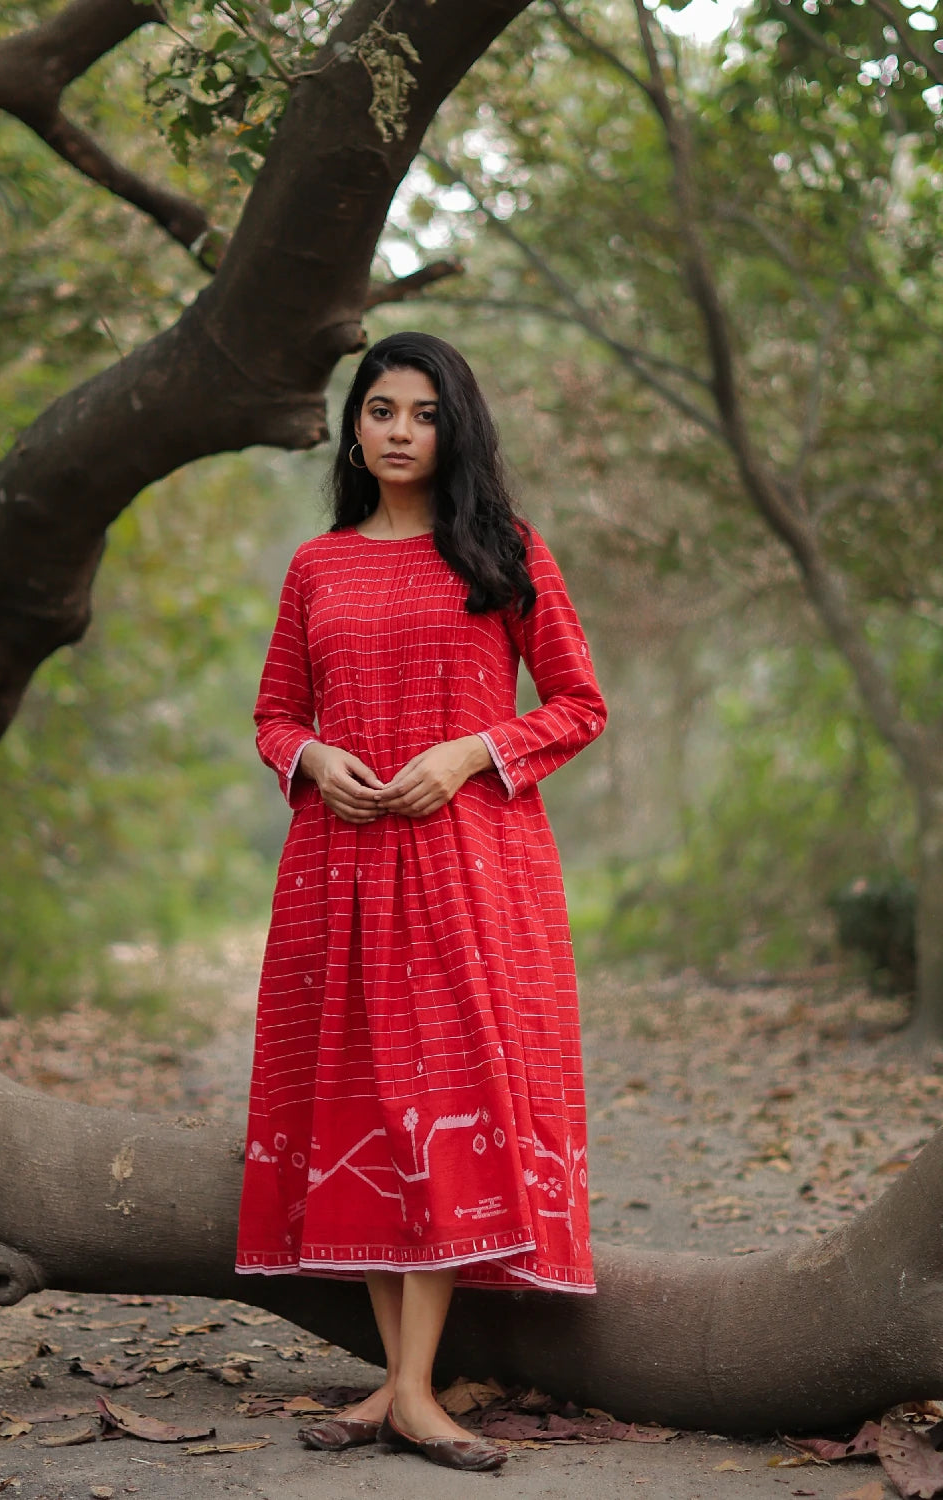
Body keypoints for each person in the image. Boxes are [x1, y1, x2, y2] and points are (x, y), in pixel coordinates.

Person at [235, 331, 607, 1473]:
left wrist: (470, 751)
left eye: (424, 412)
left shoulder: (504, 553)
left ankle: (404, 1390)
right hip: (337, 873)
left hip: (470, 868)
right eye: (380, 409)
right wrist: (311, 764)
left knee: (437, 1101)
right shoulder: (317, 567)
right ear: (354, 427)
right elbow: (273, 715)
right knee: (366, 1106)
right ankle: (406, 1392)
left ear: (457, 428)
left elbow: (579, 704)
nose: (399, 429)